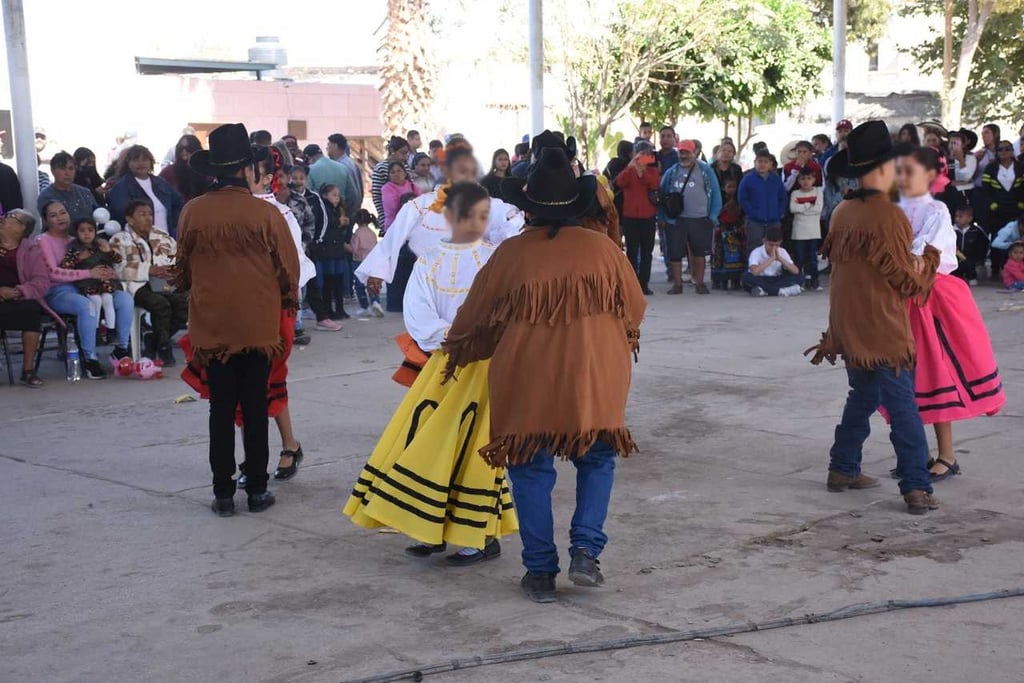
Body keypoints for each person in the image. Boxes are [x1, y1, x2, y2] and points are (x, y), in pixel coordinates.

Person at [441, 147, 647, 603]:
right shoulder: (605, 251)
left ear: (528, 205)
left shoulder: (511, 254)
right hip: (594, 374)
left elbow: (473, 318)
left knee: (530, 468)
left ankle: (538, 572)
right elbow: (635, 309)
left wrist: (458, 351)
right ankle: (586, 551)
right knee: (596, 458)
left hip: (526, 374)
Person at [345, 182, 516, 566]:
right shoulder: (433, 259)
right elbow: (418, 314)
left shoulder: (495, 260)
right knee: (430, 442)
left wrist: (457, 337)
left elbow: (501, 314)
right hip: (453, 361)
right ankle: (431, 527)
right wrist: (459, 337)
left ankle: (477, 537)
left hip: (477, 362)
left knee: (474, 448)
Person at [806, 120, 939, 515]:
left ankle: (842, 467)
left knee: (861, 395)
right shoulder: (890, 216)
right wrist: (929, 260)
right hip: (883, 326)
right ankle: (917, 486)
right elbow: (906, 280)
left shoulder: (843, 212)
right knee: (902, 408)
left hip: (848, 324)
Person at [172, 123, 300, 517]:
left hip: (212, 327)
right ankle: (258, 490)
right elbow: (288, 270)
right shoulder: (265, 213)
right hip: (257, 326)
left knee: (221, 410)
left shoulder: (193, 211)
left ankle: (223, 493)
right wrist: (285, 302)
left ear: (215, 169)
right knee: (256, 407)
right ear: (247, 168)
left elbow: (183, 272)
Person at [894, 146, 1004, 481]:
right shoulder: (893, 208)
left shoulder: (936, 210)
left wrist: (895, 259)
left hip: (932, 296)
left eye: (909, 171)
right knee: (901, 378)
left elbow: (925, 253)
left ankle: (947, 454)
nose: (902, 177)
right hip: (901, 295)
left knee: (937, 373)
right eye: (899, 170)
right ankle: (914, 453)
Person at [356, 144, 524, 313]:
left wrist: (497, 239)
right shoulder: (420, 206)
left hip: (473, 284)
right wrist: (377, 271)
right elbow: (394, 236)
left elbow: (513, 221)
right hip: (431, 283)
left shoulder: (487, 204)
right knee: (432, 328)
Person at [37, 200, 133, 379]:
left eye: (62, 212)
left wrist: (107, 270)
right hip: (60, 290)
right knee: (86, 305)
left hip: (91, 286)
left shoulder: (80, 238)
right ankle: (90, 359)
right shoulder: (43, 241)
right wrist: (89, 272)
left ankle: (121, 348)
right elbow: (53, 273)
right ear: (45, 220)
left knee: (125, 299)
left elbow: (101, 261)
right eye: (53, 215)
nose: (60, 217)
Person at [109, 199, 185, 365]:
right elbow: (117, 269)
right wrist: (148, 270)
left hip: (164, 282)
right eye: (142, 214)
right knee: (161, 305)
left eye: (150, 214)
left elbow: (180, 257)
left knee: (185, 304)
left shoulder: (161, 236)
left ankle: (154, 339)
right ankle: (164, 347)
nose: (148, 218)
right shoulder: (119, 240)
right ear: (129, 219)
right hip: (136, 286)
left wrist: (170, 269)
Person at [657, 139, 722, 295]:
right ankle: (677, 285)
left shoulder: (706, 171)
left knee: (699, 253)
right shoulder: (671, 172)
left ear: (695, 153)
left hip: (701, 218)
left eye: (687, 152)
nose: (683, 155)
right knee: (675, 253)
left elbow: (716, 193)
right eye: (681, 152)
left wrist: (712, 216)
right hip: (676, 220)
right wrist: (663, 217)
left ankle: (699, 283)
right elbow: (661, 194)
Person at [0, 209, 51, 387]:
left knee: (31, 310)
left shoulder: (31, 250)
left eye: (9, 218)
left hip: (18, 298)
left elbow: (42, 282)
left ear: (21, 228)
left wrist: (17, 291)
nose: (2, 219)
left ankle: (27, 371)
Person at [107, 145, 186, 237]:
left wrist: (174, 224)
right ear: (128, 163)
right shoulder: (121, 187)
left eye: (144, 159)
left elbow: (178, 203)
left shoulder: (161, 183)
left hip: (165, 241)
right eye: (136, 160)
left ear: (151, 162)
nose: (141, 163)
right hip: (138, 242)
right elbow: (122, 214)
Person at [614, 141, 660, 295]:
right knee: (632, 251)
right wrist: (631, 166)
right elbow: (619, 182)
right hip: (631, 216)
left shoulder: (653, 170)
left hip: (648, 216)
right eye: (639, 154)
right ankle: (631, 283)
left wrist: (643, 171)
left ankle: (644, 283)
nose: (642, 157)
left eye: (646, 155)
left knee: (647, 252)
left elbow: (654, 184)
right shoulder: (629, 170)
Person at [60, 218, 122, 330]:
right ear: (76, 233)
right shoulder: (74, 249)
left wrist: (109, 251)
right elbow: (65, 267)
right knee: (96, 300)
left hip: (104, 281)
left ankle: (110, 327)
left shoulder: (100, 245)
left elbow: (118, 259)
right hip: (87, 282)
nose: (86, 234)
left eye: (90, 230)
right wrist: (78, 259)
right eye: (82, 231)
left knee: (108, 298)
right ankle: (95, 328)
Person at [977, 140, 1024, 278]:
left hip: (1016, 210)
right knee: (997, 238)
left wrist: (1021, 203)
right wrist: (992, 204)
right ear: (997, 152)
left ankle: (1015, 270)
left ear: (1012, 151)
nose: (1004, 152)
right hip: (996, 210)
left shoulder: (1020, 167)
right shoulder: (991, 168)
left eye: (1007, 149)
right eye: (1000, 149)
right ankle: (996, 268)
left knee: (1017, 241)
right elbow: (984, 190)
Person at [738, 149, 788, 255]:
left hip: (773, 220)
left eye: (766, 162)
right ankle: (753, 270)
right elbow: (742, 199)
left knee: (774, 246)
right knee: (754, 247)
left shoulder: (776, 179)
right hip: (754, 221)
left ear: (770, 164)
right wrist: (752, 213)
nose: (762, 164)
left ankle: (773, 270)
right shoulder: (747, 179)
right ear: (755, 162)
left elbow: (783, 198)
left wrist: (778, 213)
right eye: (760, 161)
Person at [316, 184, 353, 321]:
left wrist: (345, 223)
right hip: (328, 249)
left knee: (339, 279)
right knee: (329, 281)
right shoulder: (324, 208)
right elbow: (324, 223)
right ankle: (328, 309)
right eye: (334, 195)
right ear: (325, 196)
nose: (337, 198)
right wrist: (338, 221)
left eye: (338, 195)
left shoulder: (339, 209)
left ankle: (340, 308)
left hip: (338, 249)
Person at [741, 226, 802, 297]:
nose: (774, 248)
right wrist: (771, 259)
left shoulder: (782, 251)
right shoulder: (756, 252)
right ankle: (780, 291)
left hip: (777, 279)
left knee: (800, 276)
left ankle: (764, 290)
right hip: (761, 278)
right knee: (746, 277)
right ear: (764, 241)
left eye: (777, 245)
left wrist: (779, 258)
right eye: (771, 245)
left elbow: (795, 271)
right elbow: (754, 272)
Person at [37, 152, 98, 223]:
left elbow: (98, 213)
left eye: (71, 168)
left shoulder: (85, 192)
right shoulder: (46, 196)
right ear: (52, 170)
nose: (67, 173)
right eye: (62, 168)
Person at [789, 168, 824, 290]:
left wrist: (801, 209)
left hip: (813, 231)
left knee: (812, 258)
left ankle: (814, 281)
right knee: (799, 258)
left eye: (809, 178)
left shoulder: (818, 191)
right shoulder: (795, 193)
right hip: (799, 232)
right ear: (798, 180)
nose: (806, 181)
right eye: (803, 178)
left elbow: (818, 209)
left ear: (814, 179)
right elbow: (793, 209)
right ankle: (799, 281)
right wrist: (808, 205)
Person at [305, 143, 360, 218]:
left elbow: (307, 196)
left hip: (321, 218)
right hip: (341, 215)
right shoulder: (342, 168)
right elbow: (353, 196)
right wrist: (347, 216)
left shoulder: (310, 170)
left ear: (310, 158)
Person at [347, 210, 384, 317]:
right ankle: (375, 302)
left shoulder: (358, 233)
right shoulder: (372, 233)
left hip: (359, 261)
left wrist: (344, 245)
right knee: (372, 284)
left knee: (359, 285)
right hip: (372, 262)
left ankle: (365, 306)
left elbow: (354, 249)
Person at [711, 179, 746, 290]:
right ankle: (720, 281)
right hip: (722, 231)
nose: (732, 189)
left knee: (736, 257)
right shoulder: (719, 200)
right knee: (720, 257)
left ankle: (736, 281)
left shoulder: (739, 199)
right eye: (729, 187)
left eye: (734, 187)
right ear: (723, 188)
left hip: (735, 232)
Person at [371, 136, 411, 220]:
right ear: (393, 151)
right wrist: (383, 219)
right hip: (389, 216)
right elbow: (377, 197)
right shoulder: (380, 168)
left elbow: (412, 187)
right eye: (402, 153)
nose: (405, 156)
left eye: (407, 153)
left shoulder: (405, 166)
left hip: (408, 214)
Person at [158, 135, 208, 202]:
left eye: (188, 148)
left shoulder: (206, 171)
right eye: (181, 148)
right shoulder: (169, 171)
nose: (184, 151)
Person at [951, 204, 988, 285]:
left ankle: (972, 276)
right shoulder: (950, 230)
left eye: (960, 217)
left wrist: (980, 258)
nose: (957, 219)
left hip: (971, 258)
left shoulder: (976, 231)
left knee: (970, 264)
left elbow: (984, 244)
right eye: (956, 216)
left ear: (969, 219)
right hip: (955, 258)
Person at [381, 161, 419, 229]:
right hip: (394, 225)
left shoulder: (412, 186)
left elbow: (421, 203)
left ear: (404, 173)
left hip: (413, 224)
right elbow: (392, 207)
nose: (396, 174)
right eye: (393, 172)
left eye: (399, 171)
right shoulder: (386, 189)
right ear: (389, 176)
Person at [326, 133, 363, 203]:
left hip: (346, 209)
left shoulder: (340, 166)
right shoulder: (352, 163)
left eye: (329, 145)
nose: (327, 148)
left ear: (335, 146)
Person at [603, 140, 634, 218]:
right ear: (629, 153)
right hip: (624, 206)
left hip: (613, 205)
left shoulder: (611, 163)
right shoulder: (629, 164)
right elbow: (652, 159)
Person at [947, 128, 978, 204]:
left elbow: (965, 178)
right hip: (947, 194)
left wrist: (961, 160)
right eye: (951, 142)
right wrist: (951, 183)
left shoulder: (970, 158)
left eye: (955, 143)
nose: (952, 145)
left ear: (963, 145)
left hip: (965, 193)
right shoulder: (944, 158)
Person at [973, 123, 1001, 187]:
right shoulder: (980, 153)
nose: (983, 136)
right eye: (982, 134)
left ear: (995, 134)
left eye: (986, 132)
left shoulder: (1003, 152)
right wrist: (975, 160)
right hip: (980, 188)